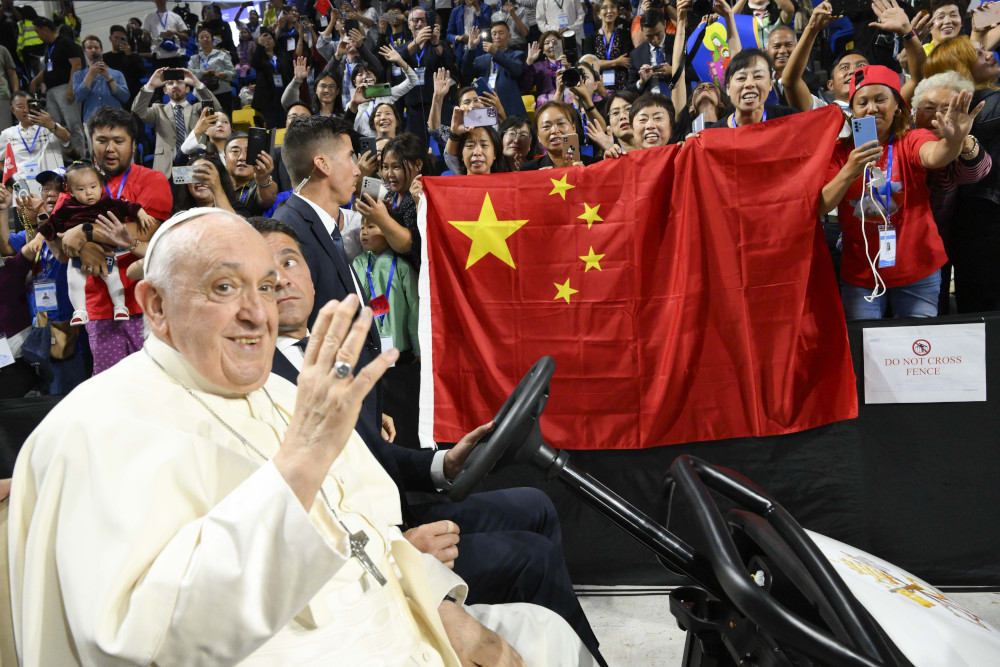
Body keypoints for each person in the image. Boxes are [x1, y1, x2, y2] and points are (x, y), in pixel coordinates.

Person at [9, 206, 597, 666]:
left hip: (395, 628)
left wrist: (444, 609)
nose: (257, 313)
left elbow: (369, 533)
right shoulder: (93, 432)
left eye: (265, 287)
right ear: (155, 306)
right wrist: (300, 465)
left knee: (545, 636)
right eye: (223, 288)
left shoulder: (279, 392)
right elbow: (141, 642)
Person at [256, 216, 606, 665]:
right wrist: (396, 551)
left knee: (535, 505)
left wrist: (444, 463)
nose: (283, 278)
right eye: (267, 274)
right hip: (370, 548)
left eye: (290, 261)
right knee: (531, 558)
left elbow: (373, 455)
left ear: (310, 272)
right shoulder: (261, 379)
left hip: (397, 512)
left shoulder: (339, 354)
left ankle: (561, 644)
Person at [819, 64, 982, 320]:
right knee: (865, 351)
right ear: (853, 111)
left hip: (918, 270)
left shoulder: (911, 139)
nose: (871, 108)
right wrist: (850, 168)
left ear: (897, 105)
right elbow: (822, 205)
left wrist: (954, 141)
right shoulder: (839, 151)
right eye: (862, 102)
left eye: (880, 99)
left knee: (917, 352)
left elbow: (934, 156)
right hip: (863, 276)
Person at [51, 107, 172, 374]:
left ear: (134, 144)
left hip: (148, 304)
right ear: (91, 141)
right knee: (111, 392)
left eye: (118, 141)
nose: (110, 148)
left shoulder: (152, 179)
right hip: (99, 309)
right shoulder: (74, 184)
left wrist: (85, 232)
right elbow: (63, 246)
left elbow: (145, 232)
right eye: (102, 140)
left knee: (156, 386)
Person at [924, 34, 1000, 312]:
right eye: (980, 54)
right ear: (961, 70)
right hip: (982, 222)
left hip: (953, 226)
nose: (990, 55)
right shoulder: (989, 104)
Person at [911, 71, 992, 314]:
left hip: (936, 247)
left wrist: (963, 140)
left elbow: (976, 171)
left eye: (948, 108)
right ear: (914, 113)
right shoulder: (900, 138)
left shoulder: (959, 147)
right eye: (929, 107)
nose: (938, 115)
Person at [37, 162, 156, 326]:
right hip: (77, 254)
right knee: (74, 280)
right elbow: (51, 226)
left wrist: (142, 215)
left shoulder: (109, 203)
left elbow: (130, 207)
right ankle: (80, 310)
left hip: (106, 250)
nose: (88, 193)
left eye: (93, 187)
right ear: (70, 192)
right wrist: (38, 235)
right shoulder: (66, 208)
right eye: (81, 189)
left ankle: (120, 307)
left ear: (101, 186)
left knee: (112, 277)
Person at [131, 67, 222, 177]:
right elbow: (137, 112)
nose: (175, 85)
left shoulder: (198, 109)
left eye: (179, 82)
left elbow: (217, 109)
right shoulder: (158, 110)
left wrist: (197, 83)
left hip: (195, 165)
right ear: (165, 90)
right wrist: (150, 85)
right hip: (166, 169)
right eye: (170, 83)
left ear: (187, 88)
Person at [356, 132, 426, 271]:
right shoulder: (391, 194)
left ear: (418, 164)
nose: (389, 174)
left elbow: (408, 245)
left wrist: (382, 218)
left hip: (417, 278)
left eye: (396, 167)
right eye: (386, 167)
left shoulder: (423, 195)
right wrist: (390, 214)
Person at [26, 17, 86, 158]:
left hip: (65, 88)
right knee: (55, 124)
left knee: (73, 124)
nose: (37, 35)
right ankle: (64, 159)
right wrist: (36, 81)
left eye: (37, 31)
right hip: (52, 91)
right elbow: (48, 69)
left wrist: (71, 88)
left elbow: (76, 65)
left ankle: (81, 159)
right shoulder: (50, 48)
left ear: (45, 30)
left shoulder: (65, 43)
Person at [0, 91, 70, 195]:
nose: (26, 109)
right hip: (22, 193)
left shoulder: (49, 127)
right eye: (20, 106)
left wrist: (51, 125)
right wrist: (14, 181)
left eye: (30, 105)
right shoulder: (7, 134)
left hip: (52, 189)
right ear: (13, 110)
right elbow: (1, 162)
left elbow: (67, 138)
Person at [711, 48, 798, 128]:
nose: (749, 84)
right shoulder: (713, 136)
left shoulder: (790, 119)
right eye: (741, 78)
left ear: (770, 84)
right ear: (728, 89)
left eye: (758, 76)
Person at [463, 21, 527, 117]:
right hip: (485, 105)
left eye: (501, 33)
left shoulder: (517, 55)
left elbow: (517, 70)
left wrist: (497, 53)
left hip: (509, 107)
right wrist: (471, 48)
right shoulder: (482, 59)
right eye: (494, 33)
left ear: (509, 36)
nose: (497, 36)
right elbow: (466, 74)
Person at [520, 100, 600, 169]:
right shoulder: (529, 171)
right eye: (546, 126)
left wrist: (587, 177)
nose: (554, 130)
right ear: (538, 136)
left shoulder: (596, 165)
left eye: (561, 123)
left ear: (573, 127)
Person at [72, 35, 130, 122]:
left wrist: (108, 77)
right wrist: (90, 74)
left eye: (96, 47)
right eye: (89, 48)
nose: (93, 50)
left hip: (115, 120)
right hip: (91, 121)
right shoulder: (78, 75)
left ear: (101, 50)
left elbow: (125, 97)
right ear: (84, 51)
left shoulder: (117, 73)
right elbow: (79, 97)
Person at [222, 132, 279, 216]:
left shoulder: (259, 185)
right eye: (235, 151)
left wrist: (263, 179)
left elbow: (268, 199)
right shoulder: (217, 183)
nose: (242, 157)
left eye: (248, 152)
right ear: (225, 158)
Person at [188, 25, 237, 117]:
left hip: (223, 93)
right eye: (201, 37)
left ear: (212, 39)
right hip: (204, 96)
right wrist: (203, 72)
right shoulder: (194, 58)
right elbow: (189, 74)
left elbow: (233, 72)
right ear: (198, 41)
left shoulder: (222, 54)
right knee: (209, 124)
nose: (205, 39)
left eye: (207, 37)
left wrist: (225, 74)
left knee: (226, 120)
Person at [584, 0, 632, 91]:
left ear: (617, 12)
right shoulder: (590, 39)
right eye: (604, 8)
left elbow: (626, 61)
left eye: (612, 7)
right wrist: (616, 62)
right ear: (598, 14)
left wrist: (600, 63)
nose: (609, 11)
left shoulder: (625, 35)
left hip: (622, 87)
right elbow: (590, 65)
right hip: (598, 87)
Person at [250, 27, 294, 128]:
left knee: (284, 124)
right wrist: (259, 45)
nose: (267, 41)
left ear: (274, 42)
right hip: (267, 98)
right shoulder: (260, 57)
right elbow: (255, 63)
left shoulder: (280, 56)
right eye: (264, 39)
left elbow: (288, 72)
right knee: (272, 125)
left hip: (282, 95)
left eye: (269, 38)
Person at [172, 154, 240, 215]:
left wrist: (216, 190)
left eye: (207, 175)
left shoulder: (237, 209)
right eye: (195, 175)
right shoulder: (180, 215)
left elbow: (235, 225)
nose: (201, 181)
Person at [103, 25, 146, 108]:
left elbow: (141, 74)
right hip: (114, 97)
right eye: (116, 38)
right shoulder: (105, 58)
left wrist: (129, 55)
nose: (119, 41)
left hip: (134, 95)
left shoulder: (134, 56)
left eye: (122, 38)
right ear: (110, 38)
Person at [521, 31, 570, 105]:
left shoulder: (569, 62)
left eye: (554, 42)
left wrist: (568, 69)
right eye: (547, 43)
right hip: (547, 103)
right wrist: (529, 62)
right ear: (543, 50)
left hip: (568, 101)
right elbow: (526, 86)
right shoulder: (537, 66)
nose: (551, 45)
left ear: (561, 45)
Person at [142, 0, 189, 69]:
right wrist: (146, 36)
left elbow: (186, 37)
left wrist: (175, 32)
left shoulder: (176, 16)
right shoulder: (149, 17)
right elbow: (145, 40)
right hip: (158, 56)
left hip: (175, 55)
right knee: (161, 79)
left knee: (178, 78)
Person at [0, 44, 18, 126]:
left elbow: (12, 73)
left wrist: (16, 95)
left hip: (1, 95)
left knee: (5, 132)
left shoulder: (2, 50)